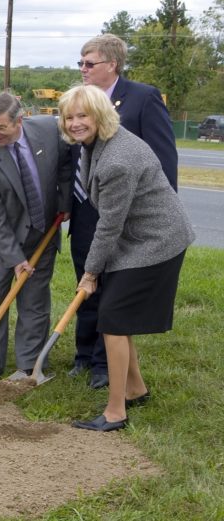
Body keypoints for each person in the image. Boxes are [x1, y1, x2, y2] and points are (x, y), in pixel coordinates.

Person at [58, 85, 194, 431]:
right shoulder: (98, 144)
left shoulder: (118, 158)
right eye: (70, 116)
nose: (75, 123)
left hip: (156, 241)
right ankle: (135, 388)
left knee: (113, 321)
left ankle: (115, 412)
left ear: (100, 115)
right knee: (116, 316)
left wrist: (90, 273)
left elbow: (108, 225)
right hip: (136, 239)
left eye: (83, 115)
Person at [69, 33, 180, 389]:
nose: (83, 70)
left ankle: (106, 365)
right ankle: (84, 356)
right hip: (90, 209)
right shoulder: (77, 105)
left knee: (112, 293)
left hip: (129, 215)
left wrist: (154, 216)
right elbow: (75, 155)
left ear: (112, 64)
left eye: (90, 63)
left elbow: (163, 160)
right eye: (81, 63)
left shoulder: (142, 98)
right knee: (86, 284)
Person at [0, 92, 72, 380]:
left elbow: (66, 163)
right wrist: (14, 258)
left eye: (1, 128)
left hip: (41, 232)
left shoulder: (50, 131)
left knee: (35, 301)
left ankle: (29, 368)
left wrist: (65, 201)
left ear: (19, 120)